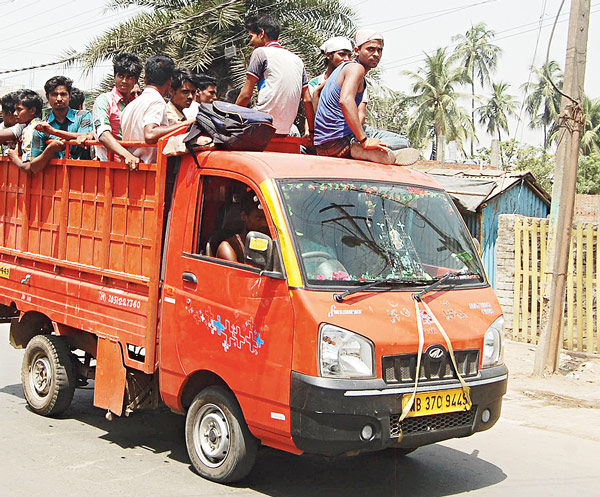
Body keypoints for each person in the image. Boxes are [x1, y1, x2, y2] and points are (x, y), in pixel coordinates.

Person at [313, 30, 419, 165]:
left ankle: (375, 152)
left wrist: (315, 133)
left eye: (379, 50)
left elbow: (316, 93)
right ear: (357, 51)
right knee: (403, 141)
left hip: (324, 145)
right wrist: (364, 140)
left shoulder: (341, 69)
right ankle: (361, 149)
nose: (376, 54)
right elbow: (345, 101)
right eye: (370, 49)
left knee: (376, 133)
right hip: (342, 143)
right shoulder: (356, 69)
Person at [235, 14, 314, 136]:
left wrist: (229, 118)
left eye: (251, 37)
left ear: (261, 33)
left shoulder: (260, 53)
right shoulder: (298, 60)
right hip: (285, 129)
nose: (250, 42)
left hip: (262, 125)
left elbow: (246, 95)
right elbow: (308, 100)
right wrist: (312, 132)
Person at [121, 54, 192, 164]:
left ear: (145, 80)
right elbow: (150, 134)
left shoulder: (131, 105)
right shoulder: (157, 101)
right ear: (169, 81)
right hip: (149, 170)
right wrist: (186, 124)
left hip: (132, 169)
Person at [92, 53, 143, 168]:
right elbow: (103, 134)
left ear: (136, 80)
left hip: (133, 165)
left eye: (129, 77)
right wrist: (127, 155)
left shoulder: (136, 103)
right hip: (108, 165)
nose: (124, 81)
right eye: (121, 76)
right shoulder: (104, 100)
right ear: (115, 76)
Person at [1, 89, 65, 173]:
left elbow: (28, 167)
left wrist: (14, 157)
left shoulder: (30, 130)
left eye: (19, 110)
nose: (15, 114)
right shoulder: (39, 124)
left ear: (32, 111)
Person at [32, 76, 94, 162]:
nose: (59, 99)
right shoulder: (41, 127)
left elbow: (84, 136)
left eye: (63, 94)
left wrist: (54, 132)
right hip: (53, 174)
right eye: (54, 94)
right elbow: (34, 165)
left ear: (70, 95)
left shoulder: (83, 116)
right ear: (47, 97)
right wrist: (50, 149)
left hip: (81, 172)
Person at [216, 189, 269, 264]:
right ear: (244, 216)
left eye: (266, 219)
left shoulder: (271, 243)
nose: (264, 224)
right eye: (258, 218)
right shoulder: (229, 248)